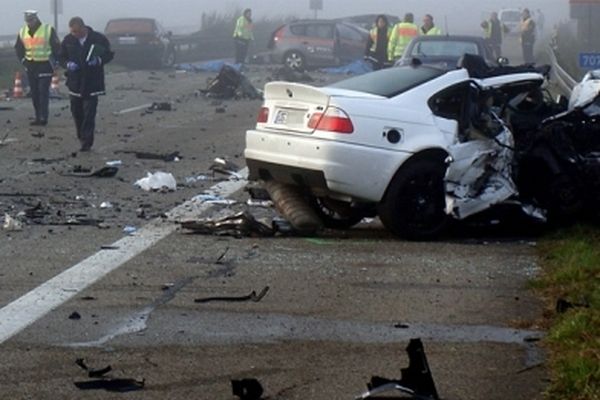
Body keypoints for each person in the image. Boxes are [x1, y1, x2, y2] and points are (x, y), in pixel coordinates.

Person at [59, 17, 113, 152]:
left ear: (83, 28)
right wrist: (67, 64)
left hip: (92, 81)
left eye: (76, 31)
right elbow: (60, 56)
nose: (74, 34)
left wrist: (99, 60)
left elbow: (109, 54)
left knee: (89, 113)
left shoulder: (98, 38)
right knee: (77, 113)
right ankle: (81, 135)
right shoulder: (68, 40)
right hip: (75, 82)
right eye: (72, 32)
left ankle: (87, 141)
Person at [14, 10, 61, 126]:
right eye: (27, 21)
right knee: (34, 92)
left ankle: (43, 116)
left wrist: (57, 61)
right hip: (31, 65)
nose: (29, 23)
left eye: (31, 20)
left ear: (36, 19)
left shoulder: (47, 29)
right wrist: (23, 60)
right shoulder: (22, 31)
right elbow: (18, 48)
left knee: (43, 91)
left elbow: (56, 46)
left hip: (45, 64)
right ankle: (37, 116)